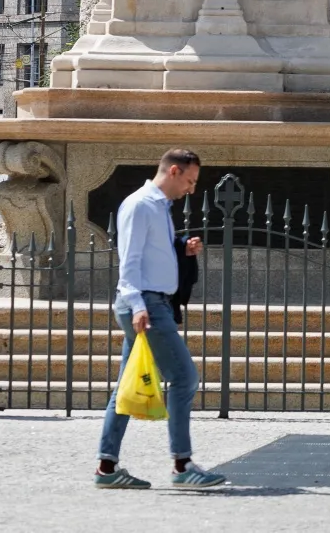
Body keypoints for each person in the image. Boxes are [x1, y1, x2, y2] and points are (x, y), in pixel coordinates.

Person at [95, 149, 228, 490]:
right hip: (147, 305)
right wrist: (139, 306)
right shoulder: (141, 205)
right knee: (184, 379)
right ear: (173, 171)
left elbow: (152, 253)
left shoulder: (158, 207)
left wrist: (181, 248)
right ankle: (182, 465)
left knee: (124, 390)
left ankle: (106, 469)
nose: (191, 189)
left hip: (152, 303)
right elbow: (130, 261)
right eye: (189, 180)